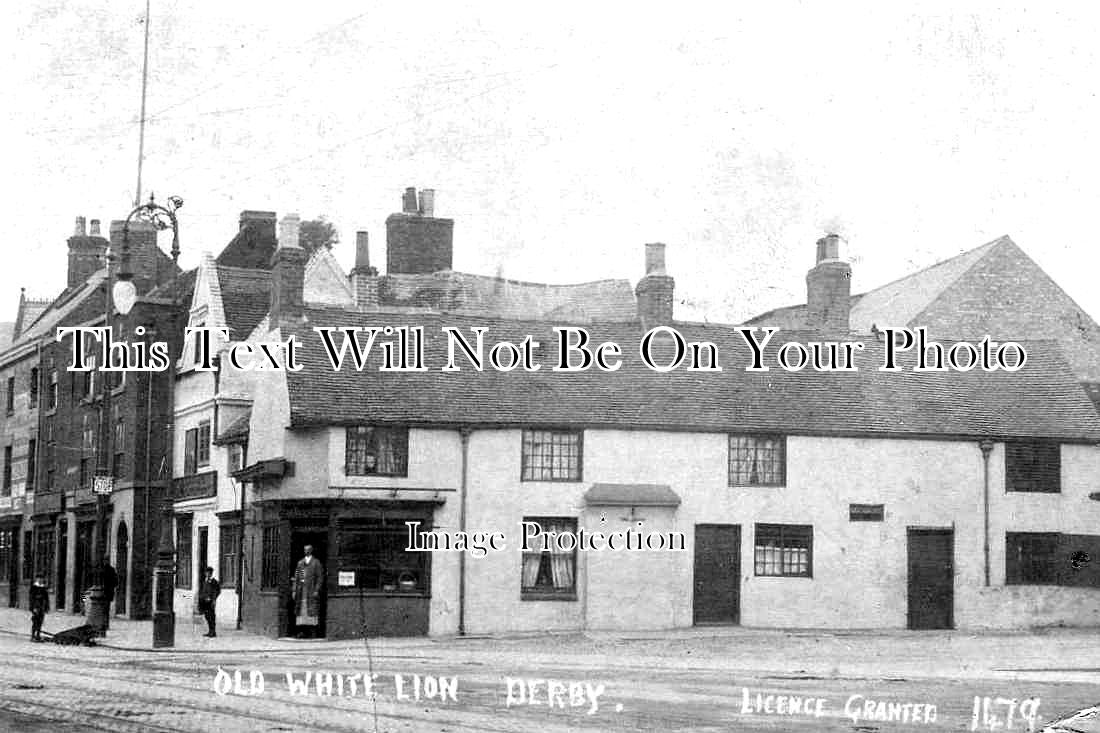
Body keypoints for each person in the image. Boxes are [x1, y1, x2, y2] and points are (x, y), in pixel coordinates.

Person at [291, 545, 324, 638]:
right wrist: (294, 590)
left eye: (308, 549)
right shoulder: (300, 563)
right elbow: (296, 578)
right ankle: (302, 631)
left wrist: (316, 590)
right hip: (301, 592)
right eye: (305, 549)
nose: (306, 551)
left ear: (311, 550)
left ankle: (312, 632)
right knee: (301, 611)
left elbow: (320, 578)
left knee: (312, 611)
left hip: (311, 591)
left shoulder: (316, 563)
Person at [198, 566, 221, 637]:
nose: (208, 574)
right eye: (207, 572)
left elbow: (217, 591)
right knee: (207, 616)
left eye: (209, 573)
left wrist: (213, 599)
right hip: (204, 601)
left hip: (211, 602)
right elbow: (203, 590)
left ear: (211, 573)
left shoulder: (214, 581)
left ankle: (213, 632)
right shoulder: (205, 581)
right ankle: (210, 631)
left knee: (211, 616)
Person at [29, 575, 49, 642]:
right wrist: (33, 607)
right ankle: (33, 636)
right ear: (36, 579)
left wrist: (46, 607)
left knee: (40, 621)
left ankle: (38, 635)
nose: (40, 580)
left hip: (42, 606)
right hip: (36, 606)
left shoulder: (43, 587)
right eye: (39, 579)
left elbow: (46, 598)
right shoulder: (33, 587)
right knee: (35, 621)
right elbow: (31, 598)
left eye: (41, 579)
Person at [101, 562, 118, 632]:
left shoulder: (100, 570)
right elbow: (116, 582)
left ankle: (102, 624)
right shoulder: (112, 570)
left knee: (102, 609)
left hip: (101, 593)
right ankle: (106, 624)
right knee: (106, 609)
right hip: (108, 593)